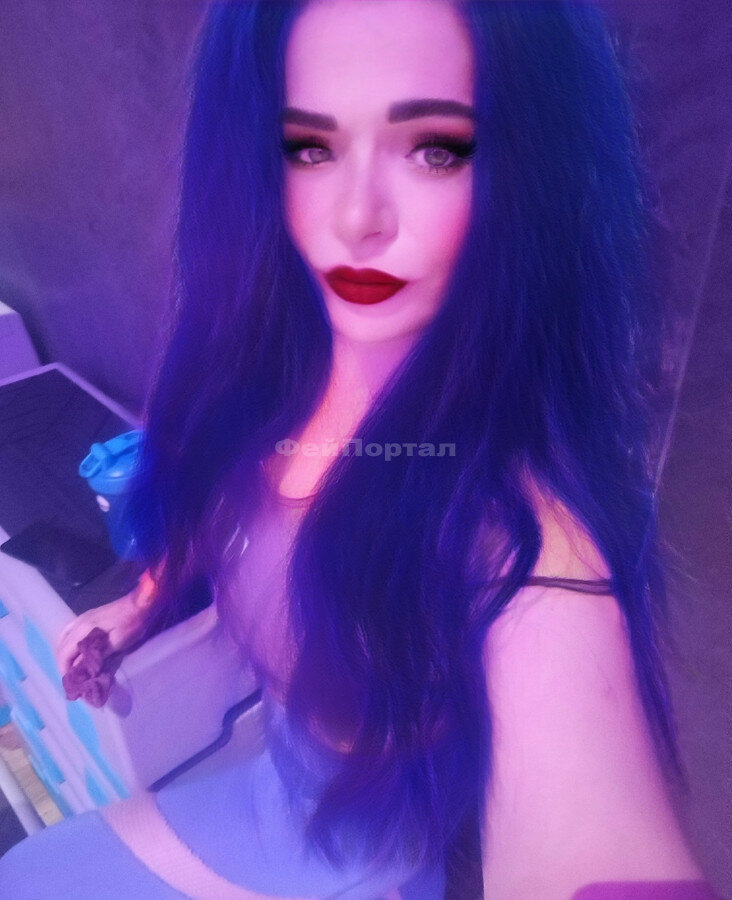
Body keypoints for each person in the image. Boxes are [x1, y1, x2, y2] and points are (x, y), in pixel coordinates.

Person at [0, 1, 719, 897]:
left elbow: (591, 826)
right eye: (310, 148)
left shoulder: (517, 530)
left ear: (532, 172)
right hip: (264, 796)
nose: (355, 215)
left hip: (355, 863)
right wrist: (139, 606)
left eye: (434, 149)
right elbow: (224, 516)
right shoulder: (264, 376)